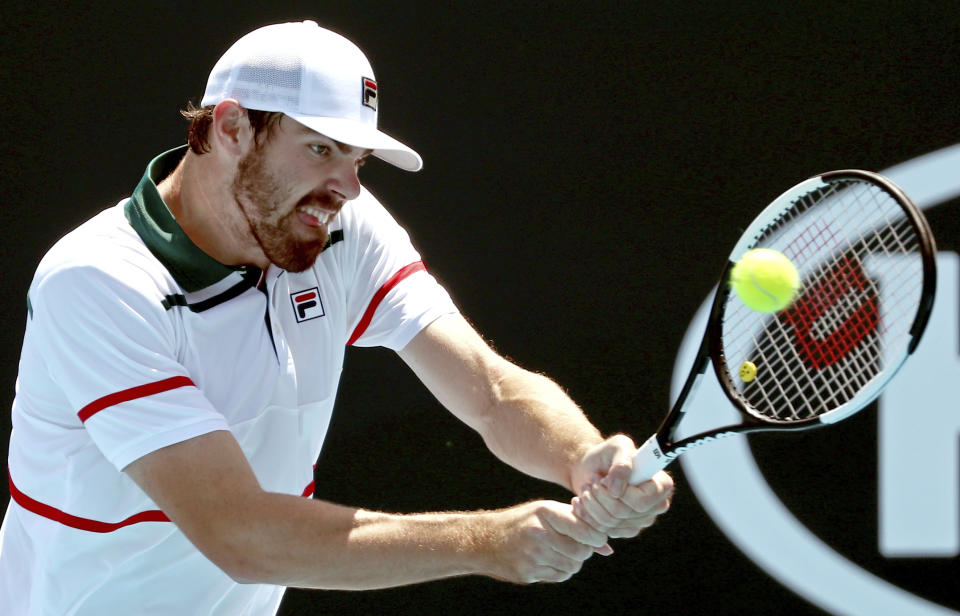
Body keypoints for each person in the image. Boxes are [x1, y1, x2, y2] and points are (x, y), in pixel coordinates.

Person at [0, 20, 673, 615]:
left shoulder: (338, 226)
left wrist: (583, 457)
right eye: (322, 149)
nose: (347, 188)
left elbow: (489, 390)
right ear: (230, 127)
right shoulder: (97, 283)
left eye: (358, 160)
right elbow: (239, 535)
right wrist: (485, 542)